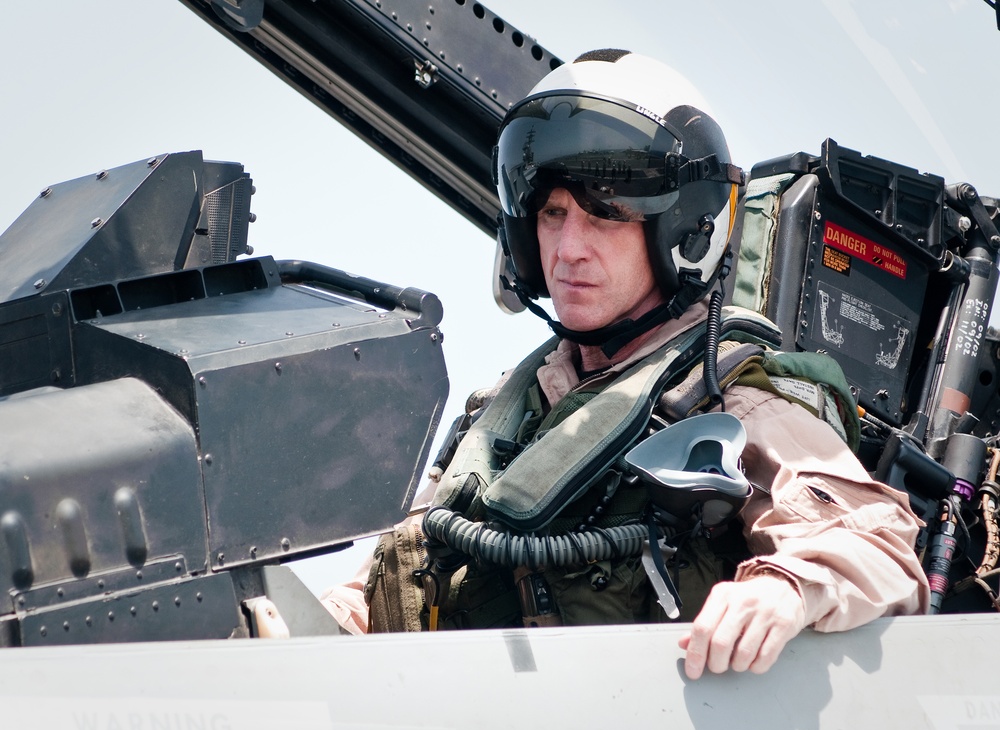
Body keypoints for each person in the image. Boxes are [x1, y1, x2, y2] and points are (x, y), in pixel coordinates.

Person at [320, 49, 930, 679]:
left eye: (606, 214)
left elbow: (877, 541)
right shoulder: (505, 414)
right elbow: (374, 596)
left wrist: (782, 588)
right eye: (553, 214)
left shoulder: (731, 399)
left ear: (684, 232)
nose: (568, 250)